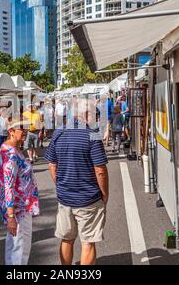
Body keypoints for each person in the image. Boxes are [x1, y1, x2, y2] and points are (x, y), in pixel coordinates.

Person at [45, 98, 109, 265]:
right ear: (86, 114)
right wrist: (104, 194)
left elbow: (52, 164)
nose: (96, 118)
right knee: (87, 242)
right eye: (96, 114)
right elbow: (100, 170)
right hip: (88, 198)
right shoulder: (92, 135)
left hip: (65, 197)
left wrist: (59, 183)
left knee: (67, 239)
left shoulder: (59, 132)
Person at [0, 119, 40, 265]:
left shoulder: (12, 148)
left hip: (20, 207)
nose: (26, 131)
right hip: (18, 210)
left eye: (27, 128)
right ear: (11, 131)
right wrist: (11, 216)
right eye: (22, 128)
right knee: (20, 250)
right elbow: (8, 186)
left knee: (15, 247)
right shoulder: (10, 154)